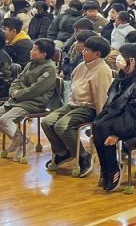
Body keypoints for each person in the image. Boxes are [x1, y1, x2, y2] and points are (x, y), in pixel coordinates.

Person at [41, 35, 114, 177]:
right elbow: (73, 86)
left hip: (89, 108)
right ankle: (63, 152)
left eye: (87, 50)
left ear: (97, 54)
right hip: (74, 104)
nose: (83, 51)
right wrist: (70, 102)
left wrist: (100, 122)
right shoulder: (82, 66)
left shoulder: (102, 70)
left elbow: (102, 98)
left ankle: (83, 156)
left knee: (62, 126)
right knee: (47, 122)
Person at [92, 43, 136, 192]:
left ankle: (113, 169)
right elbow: (111, 103)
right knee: (97, 125)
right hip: (123, 118)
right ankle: (106, 167)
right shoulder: (122, 76)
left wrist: (117, 133)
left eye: (121, 56)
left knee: (104, 129)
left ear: (132, 60)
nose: (118, 58)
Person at [0, 39, 60, 158]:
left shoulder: (49, 69)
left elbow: (36, 89)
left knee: (4, 120)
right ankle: (19, 140)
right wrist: (13, 91)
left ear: (43, 54)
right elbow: (18, 80)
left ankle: (24, 143)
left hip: (34, 102)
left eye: (35, 49)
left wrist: (18, 94)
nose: (31, 51)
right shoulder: (31, 64)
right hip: (19, 100)